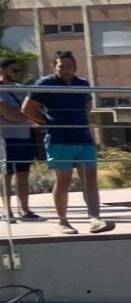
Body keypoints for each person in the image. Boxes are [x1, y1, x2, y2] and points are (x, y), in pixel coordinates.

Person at [35, 50, 112, 234]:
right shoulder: (45, 83)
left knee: (90, 179)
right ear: (55, 66)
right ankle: (63, 221)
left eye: (70, 67)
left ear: (75, 67)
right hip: (59, 140)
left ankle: (95, 218)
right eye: (62, 67)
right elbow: (28, 108)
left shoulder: (82, 84)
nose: (66, 70)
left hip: (83, 139)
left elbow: (87, 107)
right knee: (63, 181)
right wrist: (48, 122)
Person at [1, 54, 46, 223]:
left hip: (25, 136)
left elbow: (31, 109)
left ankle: (25, 210)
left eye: (18, 70)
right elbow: (8, 114)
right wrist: (27, 117)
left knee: (23, 173)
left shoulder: (21, 89)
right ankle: (7, 211)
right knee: (6, 174)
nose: (17, 73)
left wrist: (25, 116)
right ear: (3, 70)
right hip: (6, 138)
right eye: (13, 70)